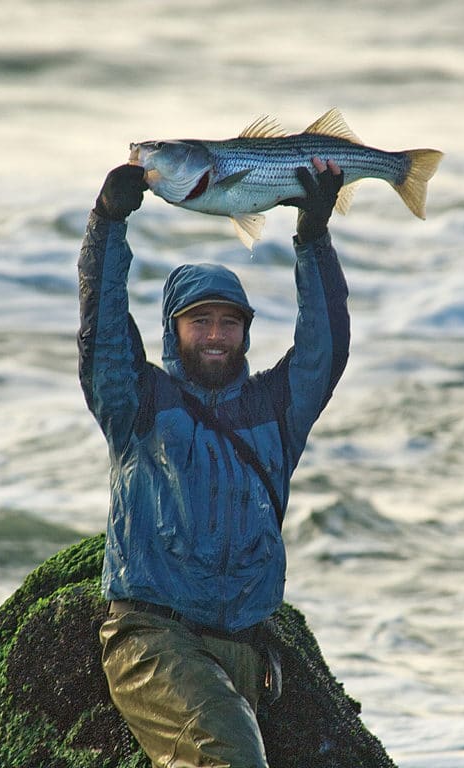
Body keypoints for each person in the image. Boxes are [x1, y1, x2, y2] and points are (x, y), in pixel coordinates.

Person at [77, 158, 349, 768]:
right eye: (200, 321)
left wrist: (312, 236)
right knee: (231, 757)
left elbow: (324, 347)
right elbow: (103, 332)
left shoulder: (276, 409)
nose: (217, 334)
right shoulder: (138, 402)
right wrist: (107, 226)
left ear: (247, 334)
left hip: (242, 650)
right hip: (151, 639)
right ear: (174, 332)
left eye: (230, 322)